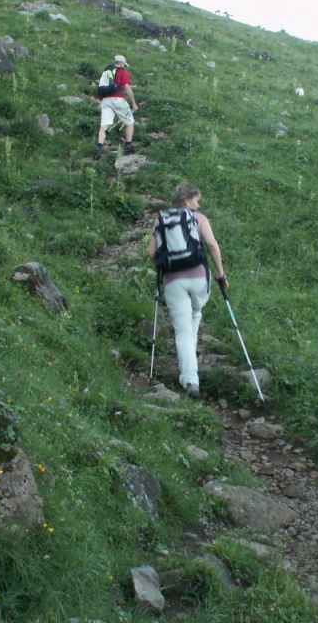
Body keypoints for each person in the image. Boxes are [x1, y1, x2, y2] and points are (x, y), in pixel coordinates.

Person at [147, 183, 228, 398]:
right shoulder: (198, 218)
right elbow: (212, 245)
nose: (198, 205)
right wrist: (221, 274)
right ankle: (190, 370)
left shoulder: (161, 220)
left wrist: (168, 262)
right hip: (199, 278)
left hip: (173, 281)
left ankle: (191, 381)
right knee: (195, 313)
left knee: (182, 331)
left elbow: (151, 252)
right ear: (186, 201)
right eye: (196, 201)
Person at [94, 54, 138, 160]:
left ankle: (99, 148)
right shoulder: (123, 71)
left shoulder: (106, 72)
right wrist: (133, 103)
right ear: (122, 63)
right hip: (118, 99)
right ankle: (128, 146)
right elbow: (126, 87)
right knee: (130, 122)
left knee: (104, 126)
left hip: (105, 101)